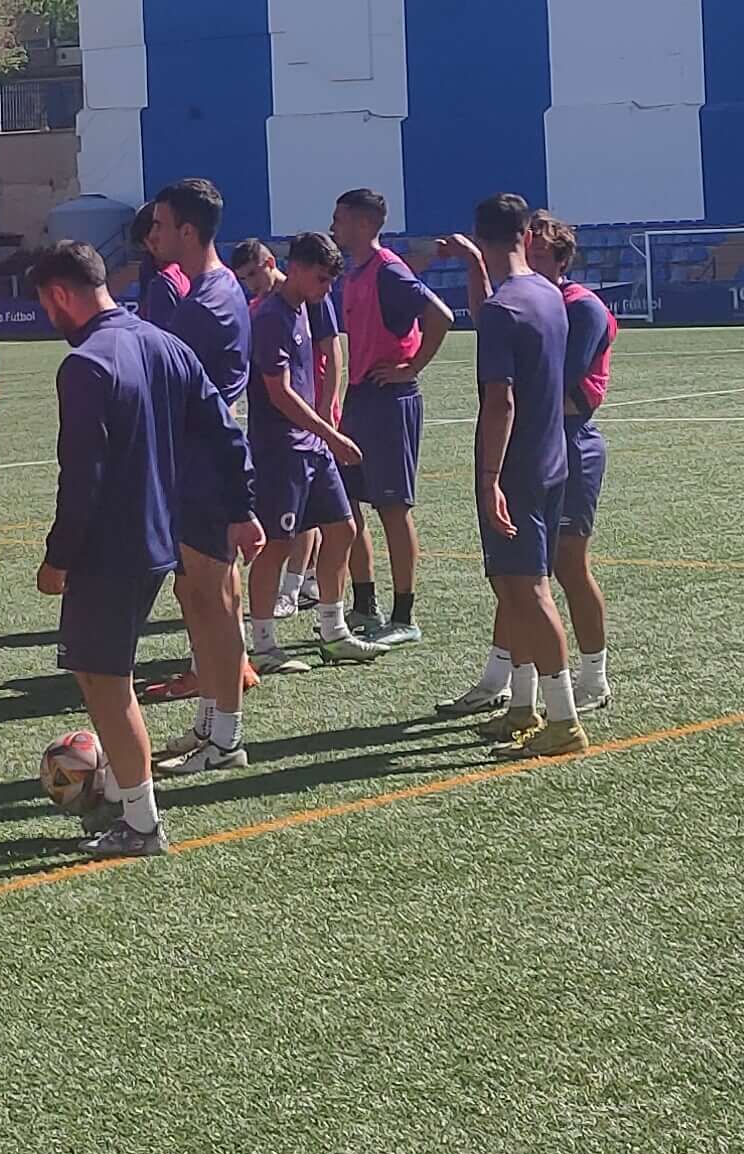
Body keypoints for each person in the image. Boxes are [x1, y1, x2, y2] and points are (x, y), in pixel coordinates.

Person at [25, 239, 197, 860]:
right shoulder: (164, 344)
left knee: (107, 681)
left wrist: (59, 556)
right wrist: (236, 510)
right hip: (155, 540)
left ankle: (143, 822)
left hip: (108, 550)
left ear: (59, 294)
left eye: (47, 304)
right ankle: (126, 796)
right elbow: (219, 430)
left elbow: (83, 476)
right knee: (97, 674)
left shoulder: (86, 365)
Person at [424, 189, 583, 756]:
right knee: (512, 588)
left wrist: (488, 477)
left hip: (516, 469)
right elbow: (495, 316)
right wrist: (473, 267)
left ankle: (562, 719)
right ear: (525, 235)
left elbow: (501, 402)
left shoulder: (502, 309)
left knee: (529, 590)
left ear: (481, 232)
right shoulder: (543, 293)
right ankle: (523, 706)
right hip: (552, 460)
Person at [130, 176, 261, 765]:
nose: (152, 235)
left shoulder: (203, 305)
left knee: (211, 599)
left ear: (187, 230)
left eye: (160, 224)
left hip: (204, 467)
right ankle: (210, 724)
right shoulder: (216, 288)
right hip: (198, 464)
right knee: (201, 595)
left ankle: (225, 736)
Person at [235, 236, 370, 674]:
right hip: (282, 449)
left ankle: (333, 631)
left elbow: (323, 361)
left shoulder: (301, 308)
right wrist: (330, 434)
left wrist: (324, 432)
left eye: (331, 281)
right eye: (321, 279)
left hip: (310, 446)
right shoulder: (272, 316)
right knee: (275, 545)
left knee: (343, 528)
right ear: (294, 268)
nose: (325, 289)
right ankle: (264, 646)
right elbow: (278, 392)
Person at [327, 187, 453, 646]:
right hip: (362, 398)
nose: (333, 226)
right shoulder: (357, 273)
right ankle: (365, 602)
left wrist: (410, 367)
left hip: (389, 399)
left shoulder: (388, 272)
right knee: (349, 503)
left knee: (393, 508)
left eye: (340, 219)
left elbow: (440, 317)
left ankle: (404, 615)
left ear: (364, 224)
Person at [530, 210, 617, 715]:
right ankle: (510, 678)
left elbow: (566, 391)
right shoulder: (527, 302)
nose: (531, 262)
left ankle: (594, 677)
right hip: (537, 442)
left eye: (541, 254)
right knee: (524, 570)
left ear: (562, 260)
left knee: (568, 564)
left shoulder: (581, 307)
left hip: (571, 443)